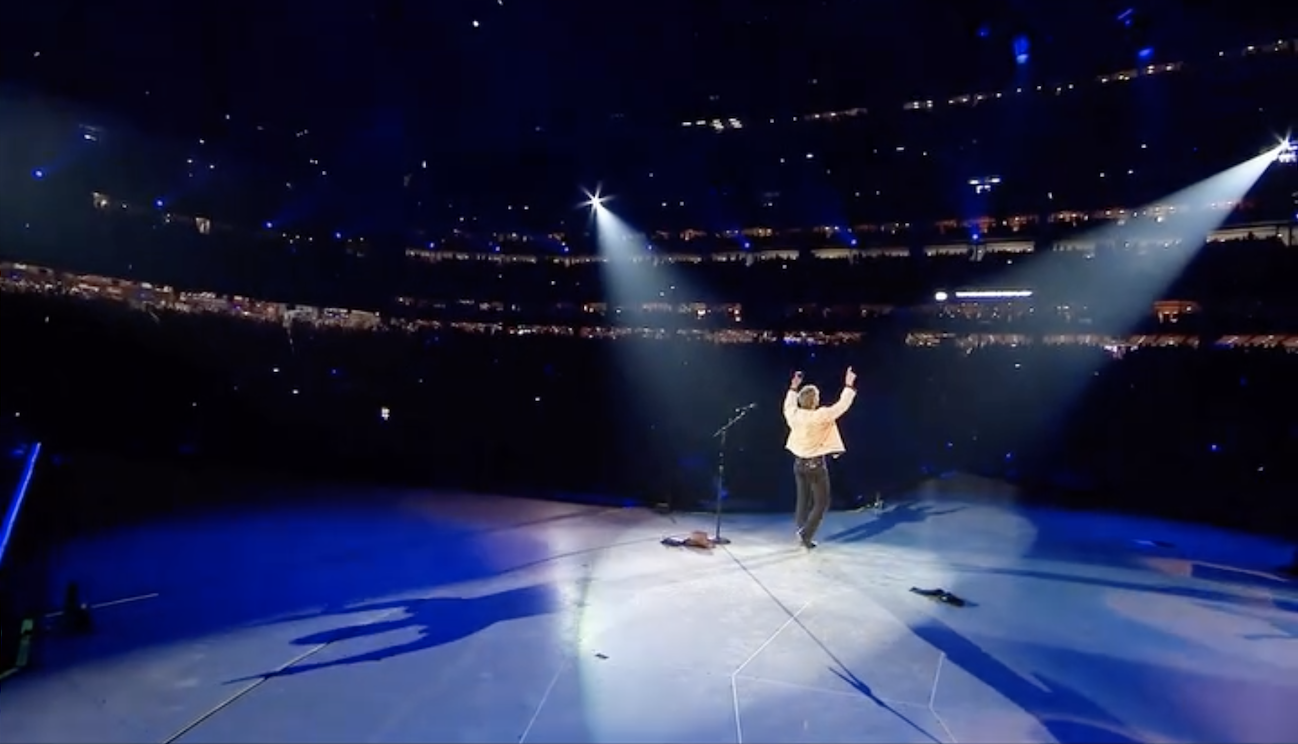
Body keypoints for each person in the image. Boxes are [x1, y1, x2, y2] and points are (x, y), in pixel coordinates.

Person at [783, 367, 857, 548]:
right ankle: (806, 535)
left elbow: (788, 405)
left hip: (799, 464)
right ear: (814, 400)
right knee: (821, 502)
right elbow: (841, 406)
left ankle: (802, 529)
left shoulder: (794, 415)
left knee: (803, 499)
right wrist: (848, 384)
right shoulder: (820, 415)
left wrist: (793, 387)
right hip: (815, 466)